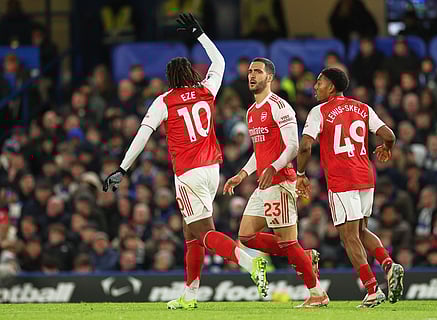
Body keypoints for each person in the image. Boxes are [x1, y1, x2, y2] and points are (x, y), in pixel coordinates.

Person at [103, 13, 268, 310]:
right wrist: (200, 35)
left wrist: (122, 168)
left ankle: (249, 262)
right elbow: (220, 62)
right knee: (190, 232)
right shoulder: (207, 90)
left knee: (203, 232)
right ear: (191, 72)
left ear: (170, 79)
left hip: (188, 173)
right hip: (212, 169)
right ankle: (190, 294)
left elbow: (142, 135)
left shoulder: (164, 100)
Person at [223, 57, 328, 308]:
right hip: (263, 183)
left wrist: (273, 167)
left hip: (280, 181)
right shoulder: (250, 112)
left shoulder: (280, 106)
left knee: (287, 242)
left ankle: (317, 293)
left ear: (269, 77)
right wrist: (242, 174)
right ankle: (303, 257)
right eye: (249, 71)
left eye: (257, 72)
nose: (252, 76)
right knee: (246, 236)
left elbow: (293, 146)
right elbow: (259, 151)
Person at [295, 67, 404, 308]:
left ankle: (372, 290)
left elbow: (304, 146)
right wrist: (387, 149)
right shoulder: (363, 107)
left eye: (319, 82)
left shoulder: (319, 111)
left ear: (331, 86)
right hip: (366, 176)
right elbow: (390, 134)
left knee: (349, 236)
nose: (315, 87)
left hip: (341, 179)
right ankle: (387, 264)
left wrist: (300, 173)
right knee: (362, 230)